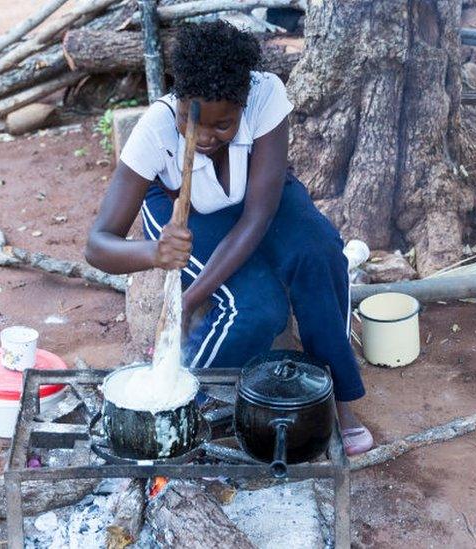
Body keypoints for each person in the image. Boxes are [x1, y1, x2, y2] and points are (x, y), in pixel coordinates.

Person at [85, 21, 373, 455]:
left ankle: (336, 394)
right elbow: (97, 246)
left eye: (223, 125)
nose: (202, 137)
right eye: (190, 120)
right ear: (177, 99)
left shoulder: (265, 94)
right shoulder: (156, 129)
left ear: (243, 103)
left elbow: (258, 217)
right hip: (185, 205)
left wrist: (188, 299)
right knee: (255, 308)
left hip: (255, 197)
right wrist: (155, 251)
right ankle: (182, 398)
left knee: (320, 253)